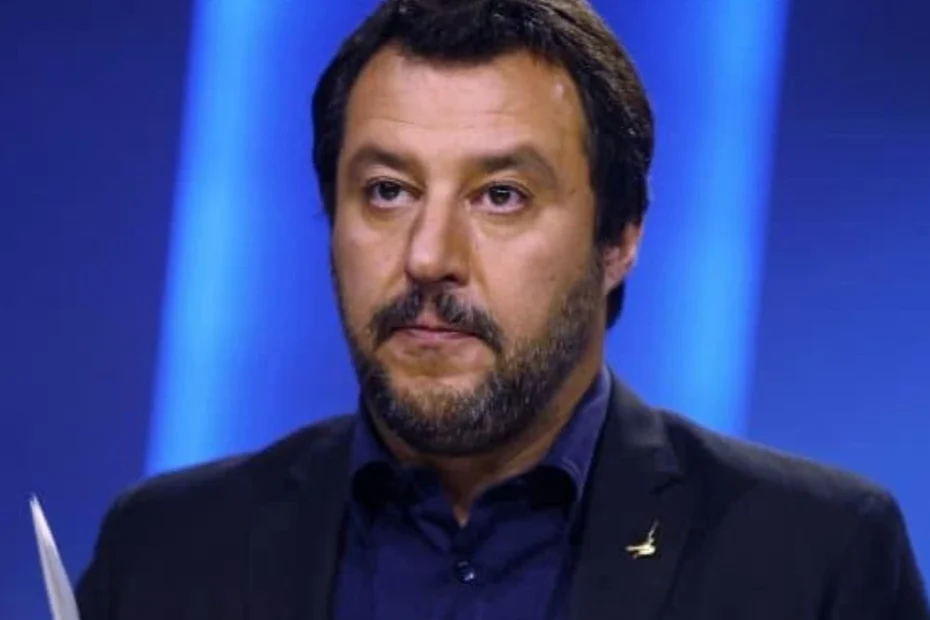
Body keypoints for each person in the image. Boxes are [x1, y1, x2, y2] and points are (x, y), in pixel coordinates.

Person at [76, 0, 929, 618]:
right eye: (387, 190)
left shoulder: (815, 560)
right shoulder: (163, 550)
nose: (428, 256)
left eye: (501, 196)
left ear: (619, 238)